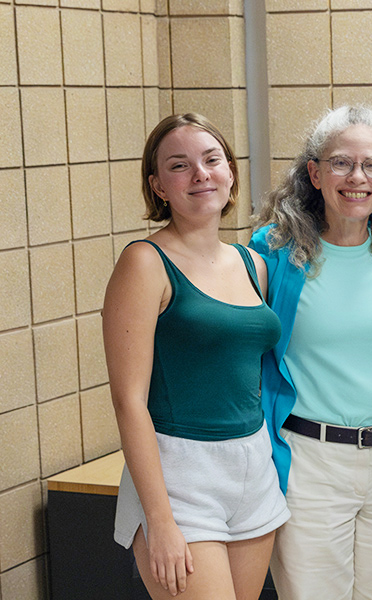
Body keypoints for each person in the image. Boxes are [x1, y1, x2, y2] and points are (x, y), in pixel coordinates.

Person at [249, 105, 372, 600]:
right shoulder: (272, 254)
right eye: (341, 163)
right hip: (310, 463)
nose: (357, 177)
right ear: (314, 173)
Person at [103, 113, 290, 600]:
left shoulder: (254, 264)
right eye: (179, 166)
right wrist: (160, 521)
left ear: (230, 171)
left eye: (211, 160)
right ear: (158, 185)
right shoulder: (144, 262)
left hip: (252, 464)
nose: (200, 174)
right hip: (180, 473)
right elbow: (128, 402)